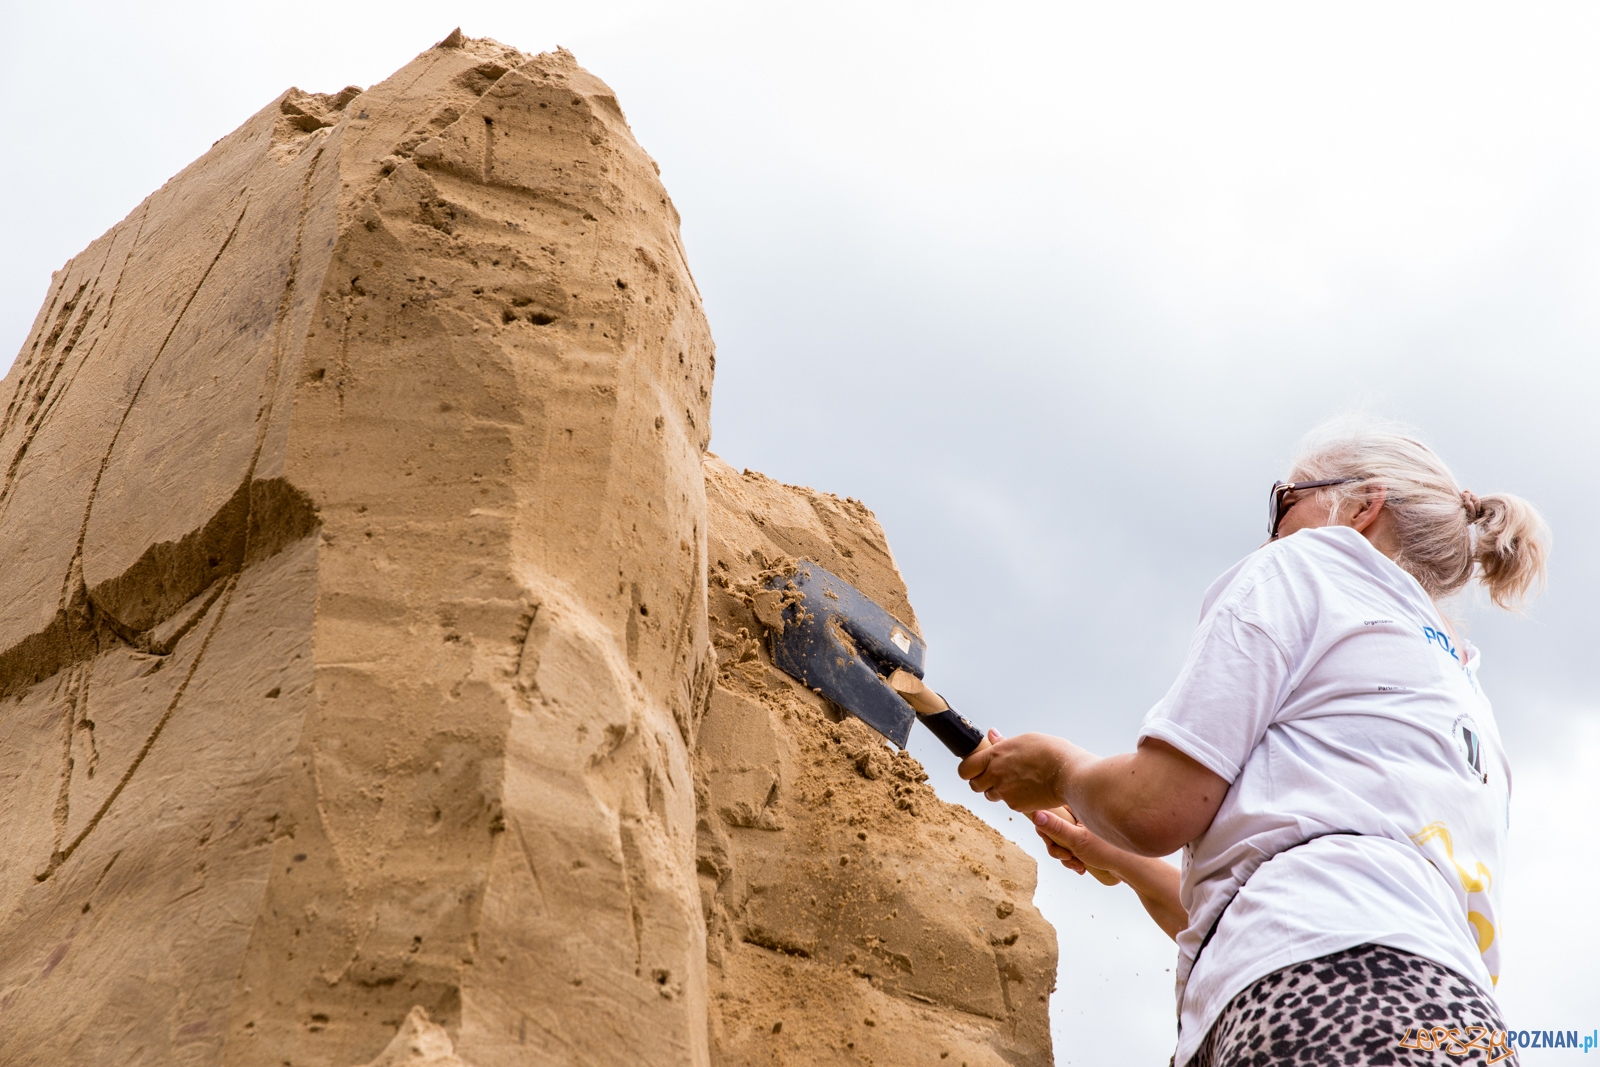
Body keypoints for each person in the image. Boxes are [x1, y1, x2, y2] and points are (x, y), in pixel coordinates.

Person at [959, 419, 1547, 1067]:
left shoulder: (1309, 564)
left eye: (1284, 501)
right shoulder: (1464, 693)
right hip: (1465, 1029)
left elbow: (1155, 809)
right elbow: (1319, 905)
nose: (1272, 533)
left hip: (1326, 1003)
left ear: (1361, 506)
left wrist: (1060, 768)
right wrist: (1114, 853)